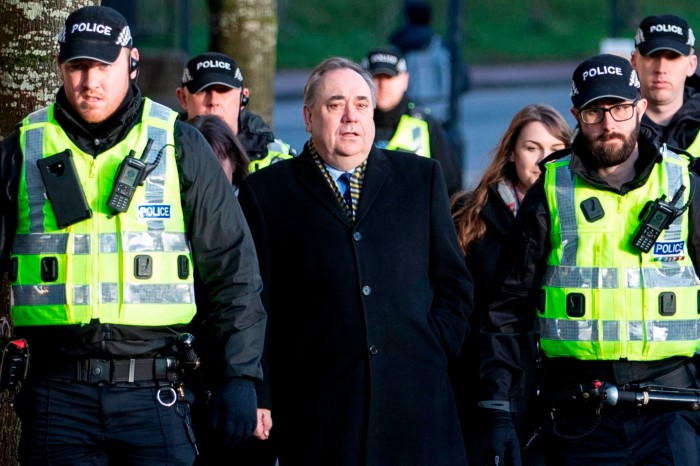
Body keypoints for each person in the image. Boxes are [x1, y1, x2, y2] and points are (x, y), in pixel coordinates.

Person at [0, 6, 266, 464]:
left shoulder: (180, 144)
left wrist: (240, 376)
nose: (90, 80)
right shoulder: (23, 148)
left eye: (104, 65)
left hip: (154, 392)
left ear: (132, 62)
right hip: (56, 395)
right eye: (78, 66)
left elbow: (233, 268)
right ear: (60, 66)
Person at [237, 56, 473, 465]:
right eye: (335, 105)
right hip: (320, 412)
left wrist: (436, 344)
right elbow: (258, 305)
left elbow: (454, 281)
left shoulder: (420, 178)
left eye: (362, 104)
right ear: (309, 117)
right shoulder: (267, 193)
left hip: (416, 406)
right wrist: (263, 391)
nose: (351, 117)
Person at [480, 53, 700, 466]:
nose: (608, 123)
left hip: (673, 408)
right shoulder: (550, 189)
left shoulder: (685, 183)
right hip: (579, 413)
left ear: (638, 108)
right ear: (576, 115)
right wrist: (498, 410)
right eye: (595, 111)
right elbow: (507, 311)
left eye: (619, 108)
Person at [450, 104, 572, 465]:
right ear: (512, 152)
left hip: (557, 395)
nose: (543, 160)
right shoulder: (470, 216)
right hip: (485, 390)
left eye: (555, 149)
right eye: (532, 148)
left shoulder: (581, 217)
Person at [361, 46, 463, 197]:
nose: (383, 85)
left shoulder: (426, 125)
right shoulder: (350, 124)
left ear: (405, 80)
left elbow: (452, 188)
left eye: (389, 77)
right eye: (376, 77)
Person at [176, 51, 296, 172]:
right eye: (203, 91)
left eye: (223, 90)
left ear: (243, 97)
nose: (213, 101)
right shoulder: (162, 149)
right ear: (183, 98)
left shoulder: (278, 158)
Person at [631, 14, 700, 157]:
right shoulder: (607, 126)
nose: (661, 68)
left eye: (672, 56)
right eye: (653, 55)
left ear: (692, 65)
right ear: (634, 61)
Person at [187, 114, 250, 195]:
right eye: (197, 168)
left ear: (233, 161)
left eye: (216, 166)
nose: (208, 178)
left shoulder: (252, 204)